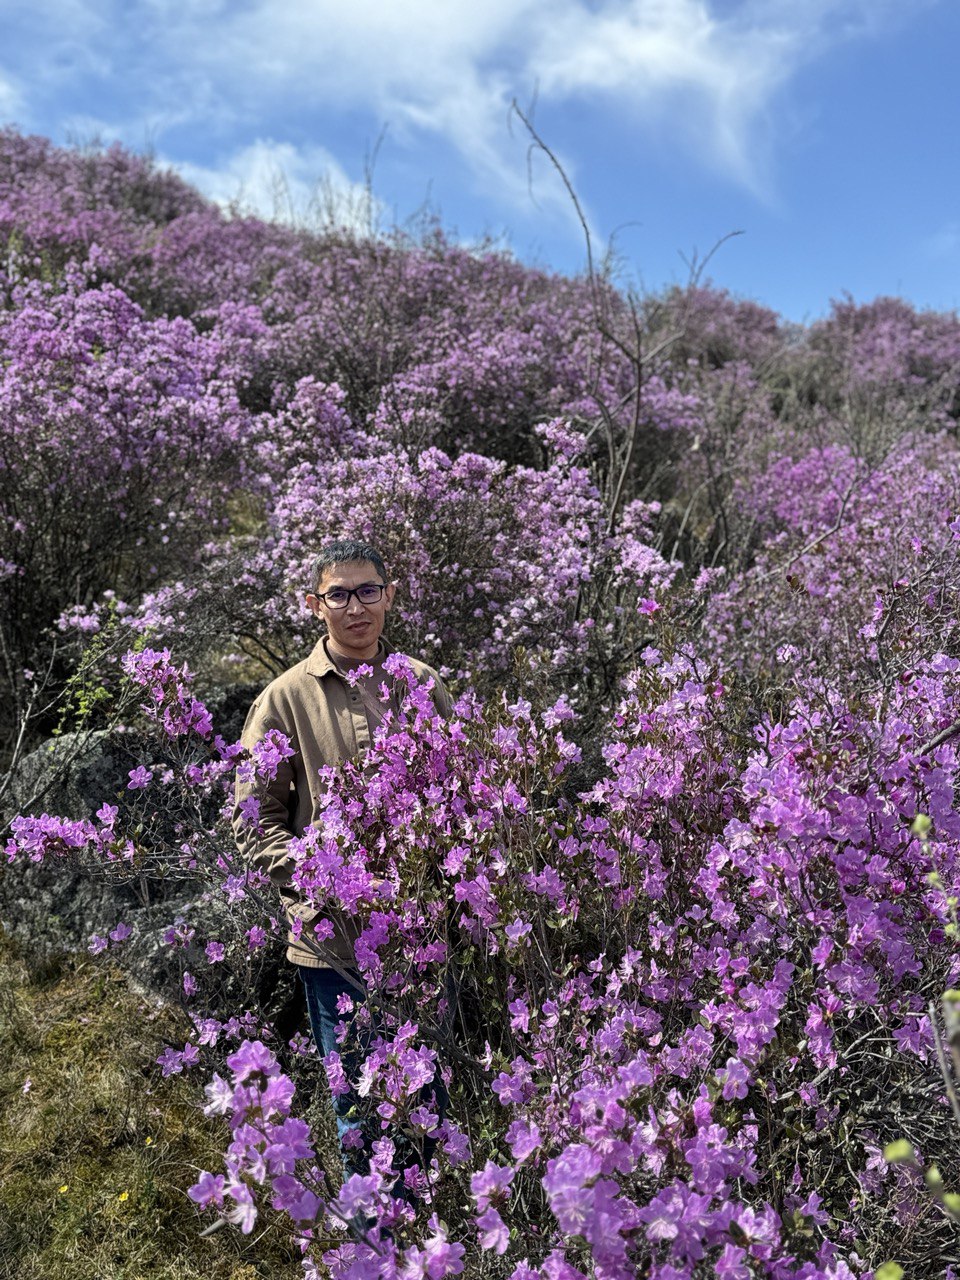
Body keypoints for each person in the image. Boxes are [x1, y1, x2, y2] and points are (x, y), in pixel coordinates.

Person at [232, 539, 452, 1181]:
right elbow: (253, 820)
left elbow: (463, 792)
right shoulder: (283, 699)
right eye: (339, 594)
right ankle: (374, 1234)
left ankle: (428, 1227)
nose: (356, 608)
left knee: (430, 1102)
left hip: (422, 936)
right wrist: (329, 881)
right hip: (335, 943)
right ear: (315, 604)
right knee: (360, 1110)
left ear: (389, 596)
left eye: (367, 592)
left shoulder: (422, 683)